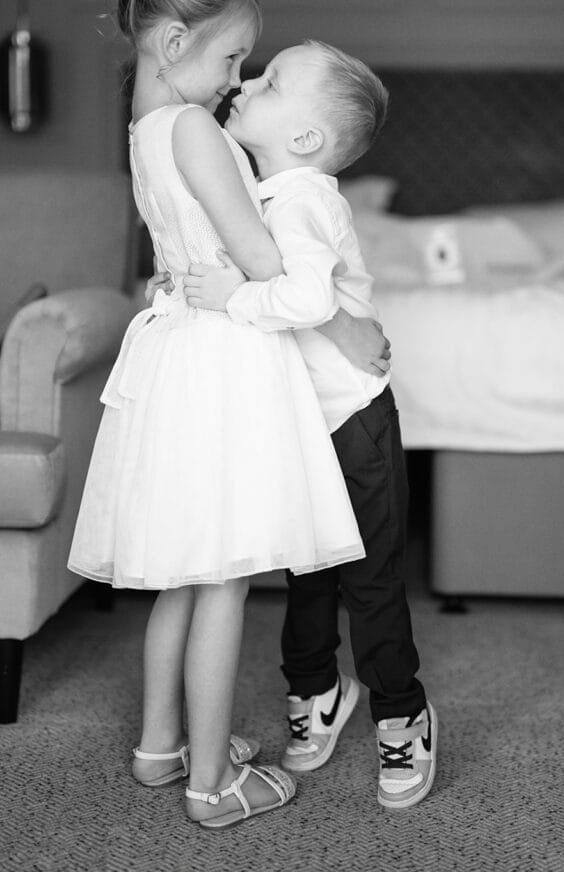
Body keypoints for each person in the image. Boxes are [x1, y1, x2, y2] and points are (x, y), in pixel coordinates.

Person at [67, 0, 384, 830]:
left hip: (174, 349)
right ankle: (214, 784)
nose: (238, 79)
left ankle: (159, 748)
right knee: (222, 582)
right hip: (220, 364)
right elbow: (266, 268)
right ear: (173, 43)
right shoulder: (198, 133)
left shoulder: (144, 122)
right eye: (234, 59)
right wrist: (345, 315)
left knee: (180, 572)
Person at [177, 40, 437, 810]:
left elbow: (304, 301)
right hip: (297, 419)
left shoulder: (303, 201)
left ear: (304, 140)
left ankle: (402, 711)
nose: (248, 81)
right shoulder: (262, 191)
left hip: (352, 416)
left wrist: (229, 296)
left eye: (269, 80)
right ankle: (319, 690)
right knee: (305, 571)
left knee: (370, 579)